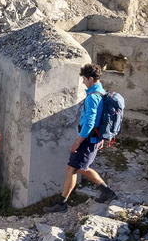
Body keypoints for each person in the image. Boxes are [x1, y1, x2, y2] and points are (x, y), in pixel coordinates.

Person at [45, 64, 117, 213]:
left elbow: (90, 122)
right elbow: (102, 118)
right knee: (80, 168)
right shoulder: (103, 92)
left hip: (87, 140)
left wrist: (77, 142)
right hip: (94, 138)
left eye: (84, 79)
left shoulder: (92, 97)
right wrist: (101, 137)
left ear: (91, 79)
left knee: (72, 169)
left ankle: (62, 203)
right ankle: (106, 192)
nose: (83, 81)